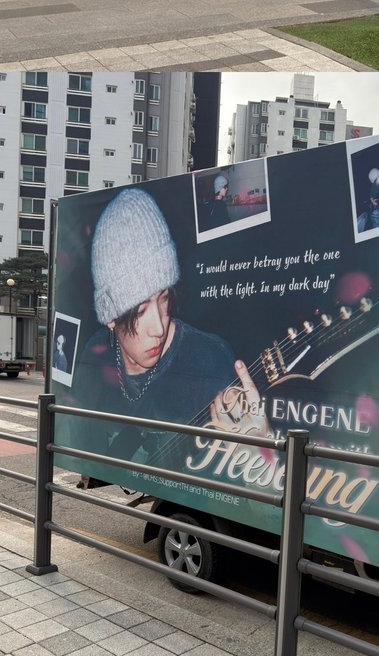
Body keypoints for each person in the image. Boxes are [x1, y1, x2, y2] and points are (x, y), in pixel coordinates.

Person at [62, 188, 268, 472]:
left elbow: (243, 482)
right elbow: (80, 445)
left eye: (164, 299)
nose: (159, 327)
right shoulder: (96, 354)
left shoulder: (208, 357)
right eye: (141, 310)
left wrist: (258, 449)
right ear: (111, 317)